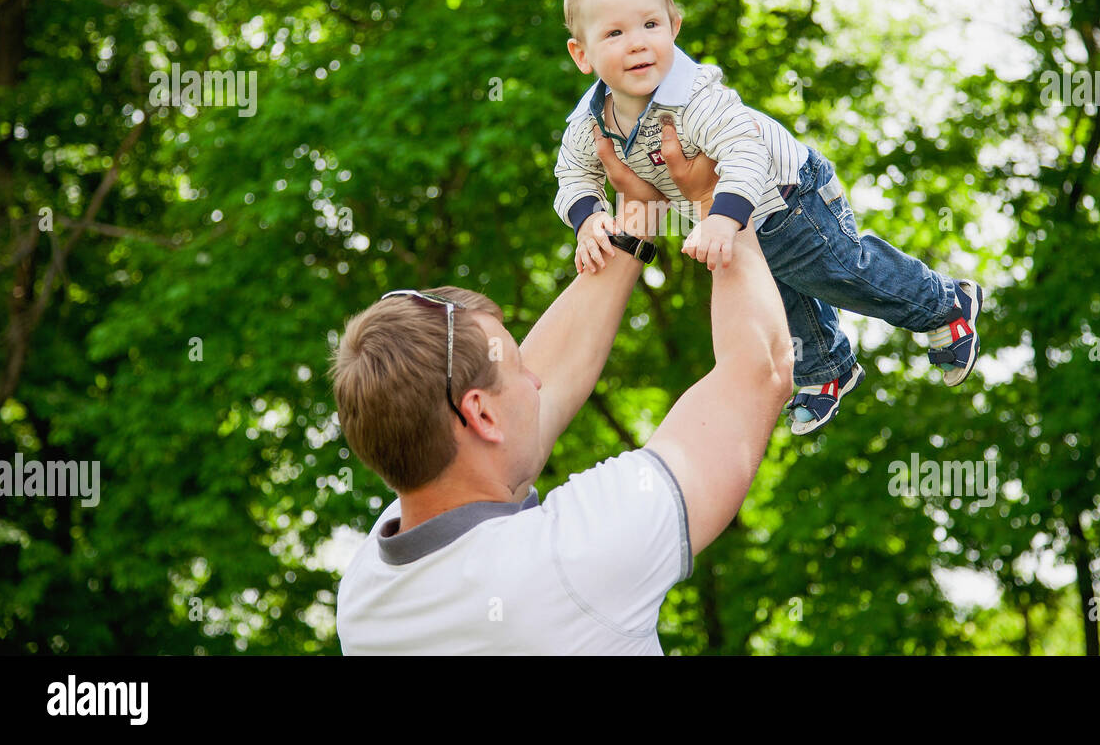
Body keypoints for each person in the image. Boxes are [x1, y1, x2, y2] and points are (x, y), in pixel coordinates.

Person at [329, 153, 794, 654]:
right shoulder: (571, 563)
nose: (534, 377)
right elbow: (760, 369)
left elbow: (517, 420)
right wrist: (719, 200)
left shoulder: (367, 595)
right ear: (481, 414)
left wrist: (637, 217)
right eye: (516, 363)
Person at [554, 0, 985, 435]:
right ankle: (828, 372)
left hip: (789, 195)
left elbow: (744, 150)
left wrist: (720, 216)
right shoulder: (590, 123)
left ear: (674, 26)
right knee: (783, 293)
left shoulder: (694, 97)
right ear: (582, 54)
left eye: (650, 25)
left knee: (841, 272)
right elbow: (572, 175)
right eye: (614, 33)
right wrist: (589, 218)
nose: (637, 44)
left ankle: (944, 304)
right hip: (737, 216)